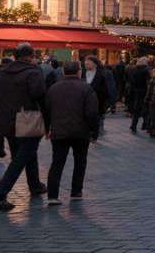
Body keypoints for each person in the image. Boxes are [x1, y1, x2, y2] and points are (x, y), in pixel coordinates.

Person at [0, 43, 47, 212]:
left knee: (25, 154)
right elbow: (39, 95)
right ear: (31, 56)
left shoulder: (1, 73)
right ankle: (1, 195)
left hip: (7, 121)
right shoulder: (32, 72)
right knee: (20, 159)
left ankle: (35, 184)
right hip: (27, 119)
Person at [44, 60, 99, 205]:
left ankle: (52, 195)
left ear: (63, 72)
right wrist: (94, 131)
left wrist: (47, 128)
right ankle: (76, 191)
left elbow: (47, 111)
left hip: (59, 131)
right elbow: (92, 112)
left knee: (57, 163)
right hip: (81, 132)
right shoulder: (86, 88)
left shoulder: (53, 88)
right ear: (79, 71)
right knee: (80, 162)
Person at [83, 56, 108, 140]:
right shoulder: (82, 73)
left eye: (88, 63)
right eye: (85, 63)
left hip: (98, 101)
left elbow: (105, 90)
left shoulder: (101, 74)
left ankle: (94, 135)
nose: (86, 65)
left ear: (95, 64)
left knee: (95, 119)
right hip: (84, 101)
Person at [128, 57, 150, 133]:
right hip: (144, 91)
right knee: (145, 109)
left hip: (135, 92)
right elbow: (148, 82)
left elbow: (131, 81)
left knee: (136, 110)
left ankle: (133, 126)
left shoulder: (134, 70)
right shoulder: (146, 71)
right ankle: (146, 124)